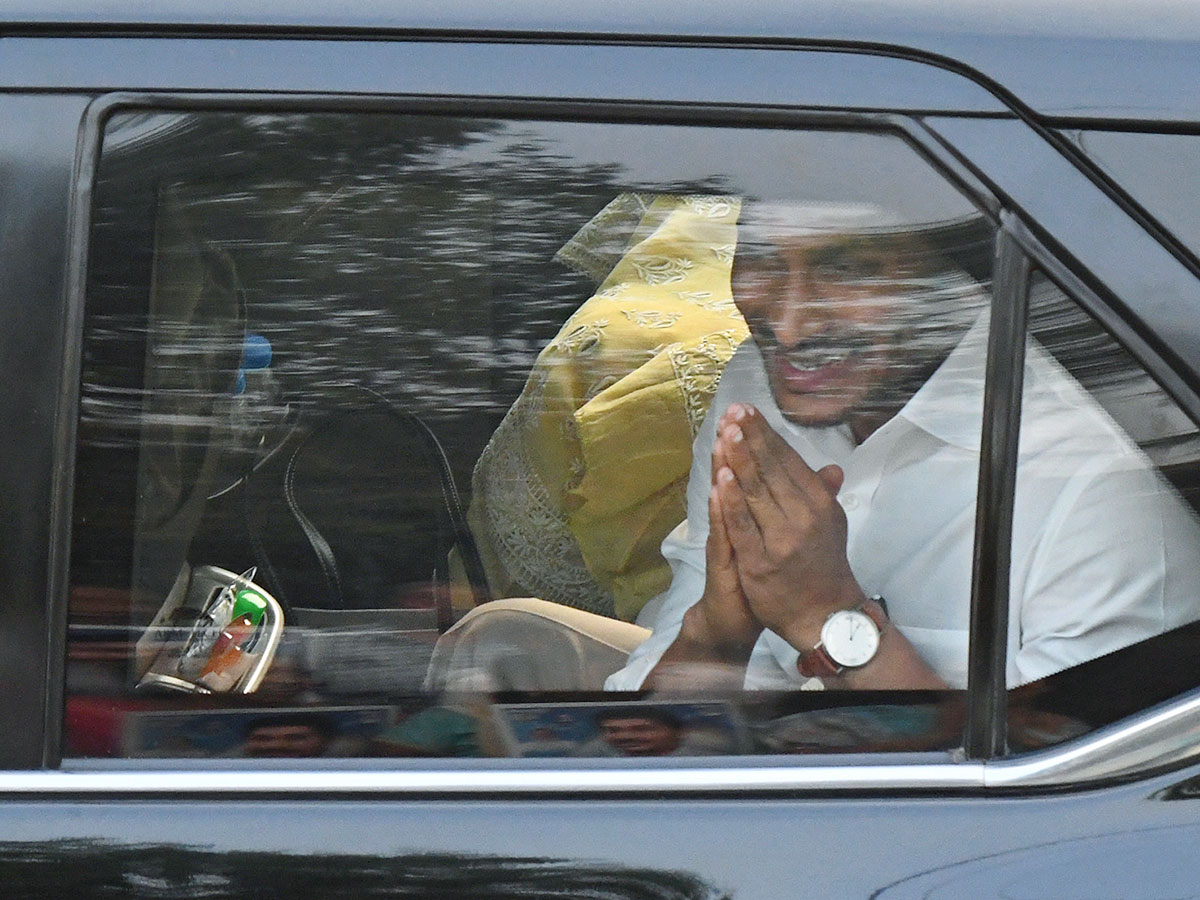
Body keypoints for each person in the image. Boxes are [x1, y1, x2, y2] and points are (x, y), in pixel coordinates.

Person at [605, 201, 1200, 692]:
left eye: (848, 269)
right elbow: (669, 737)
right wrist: (716, 633)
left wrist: (828, 617)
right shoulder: (766, 385)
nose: (789, 327)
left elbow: (1058, 808)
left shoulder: (1097, 498)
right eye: (759, 257)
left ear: (952, 275)